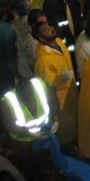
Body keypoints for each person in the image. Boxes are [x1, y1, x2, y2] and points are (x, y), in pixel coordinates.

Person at [33, 12, 78, 146]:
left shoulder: (59, 42)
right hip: (61, 102)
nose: (52, 28)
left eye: (49, 26)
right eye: (46, 30)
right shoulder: (43, 61)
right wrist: (62, 78)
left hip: (72, 93)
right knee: (66, 129)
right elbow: (49, 87)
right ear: (41, 38)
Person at [0, 77, 58, 181]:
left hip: (43, 136)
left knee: (43, 163)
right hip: (22, 143)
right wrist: (31, 134)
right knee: (28, 167)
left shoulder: (40, 86)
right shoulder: (7, 102)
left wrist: (56, 120)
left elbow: (52, 100)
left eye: (30, 98)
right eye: (25, 100)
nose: (29, 102)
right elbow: (10, 127)